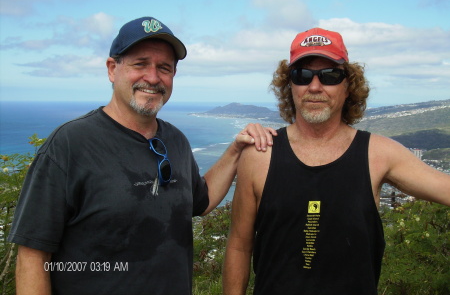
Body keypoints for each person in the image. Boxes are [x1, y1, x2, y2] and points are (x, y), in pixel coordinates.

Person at [8, 16, 275, 295]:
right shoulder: (69, 145)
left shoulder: (176, 141)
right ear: (112, 69)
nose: (153, 77)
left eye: (164, 68)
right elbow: (33, 256)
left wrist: (235, 150)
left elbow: (201, 200)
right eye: (140, 64)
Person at [222, 28, 450, 295]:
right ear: (290, 86)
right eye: (302, 75)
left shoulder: (379, 154)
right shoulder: (260, 155)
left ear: (348, 86)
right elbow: (239, 245)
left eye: (330, 76)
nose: (315, 87)